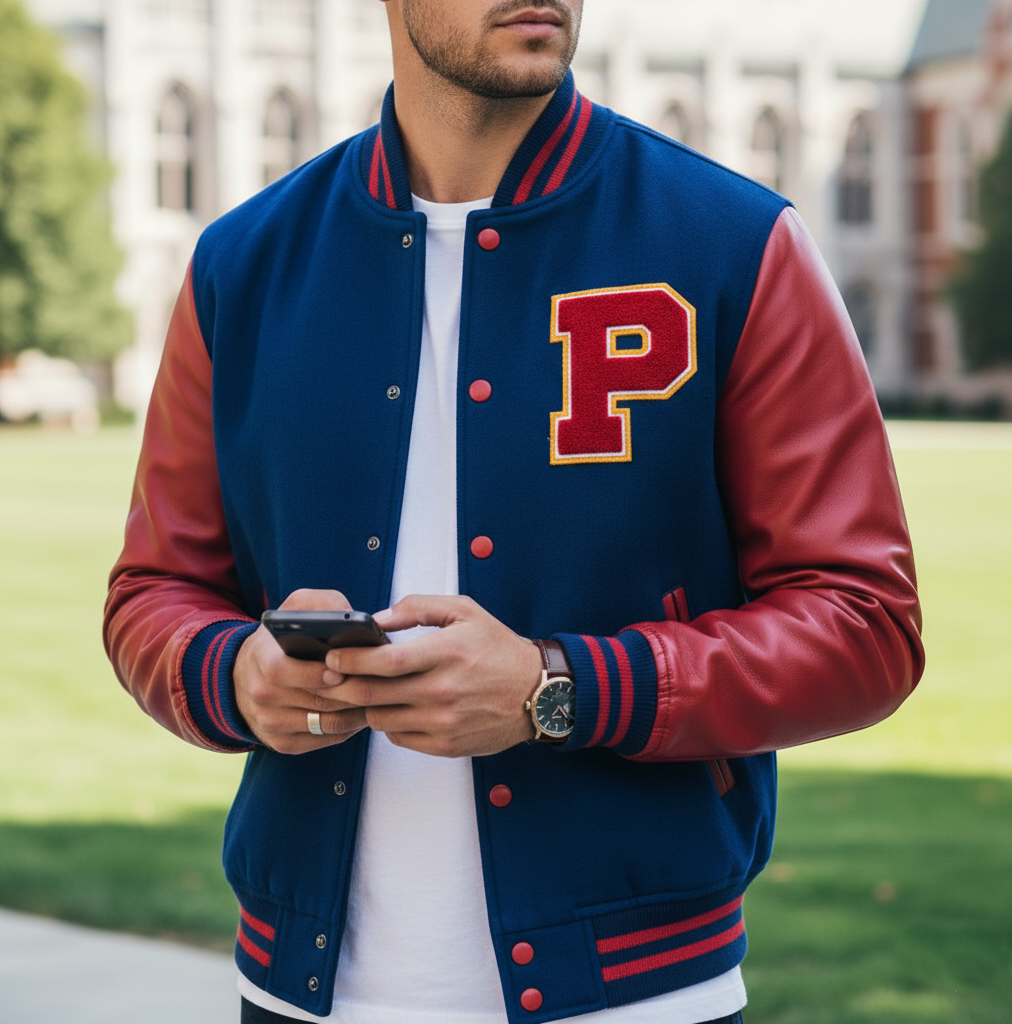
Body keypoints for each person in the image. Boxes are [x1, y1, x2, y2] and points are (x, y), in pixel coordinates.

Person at [104, 2, 924, 1023]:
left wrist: (559, 685)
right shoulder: (244, 264)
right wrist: (238, 676)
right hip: (296, 994)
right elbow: (155, 592)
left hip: (637, 996)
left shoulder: (733, 242)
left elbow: (863, 622)